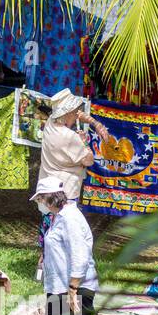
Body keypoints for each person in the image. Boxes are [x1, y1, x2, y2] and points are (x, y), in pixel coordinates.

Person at [31, 177, 129, 315]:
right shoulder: (57, 217)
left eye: (40, 198)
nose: (38, 202)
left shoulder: (71, 218)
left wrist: (73, 289)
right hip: (59, 287)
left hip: (75, 288)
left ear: (50, 198)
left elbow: (80, 254)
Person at [34, 89, 111, 280]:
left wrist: (94, 123)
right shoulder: (69, 138)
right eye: (73, 111)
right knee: (65, 235)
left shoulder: (51, 122)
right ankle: (62, 273)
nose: (77, 113)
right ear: (66, 113)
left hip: (46, 191)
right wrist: (84, 143)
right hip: (65, 194)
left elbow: (78, 114)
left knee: (49, 231)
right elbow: (89, 160)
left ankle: (42, 271)